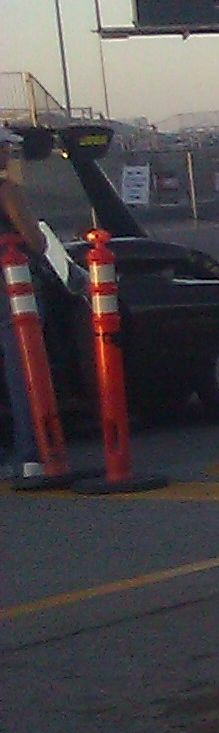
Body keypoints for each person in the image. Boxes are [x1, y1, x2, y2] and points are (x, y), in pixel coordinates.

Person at [1, 125, 49, 479]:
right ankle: (32, 451)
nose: (8, 154)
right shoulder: (7, 190)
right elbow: (36, 240)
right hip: (12, 284)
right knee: (25, 369)